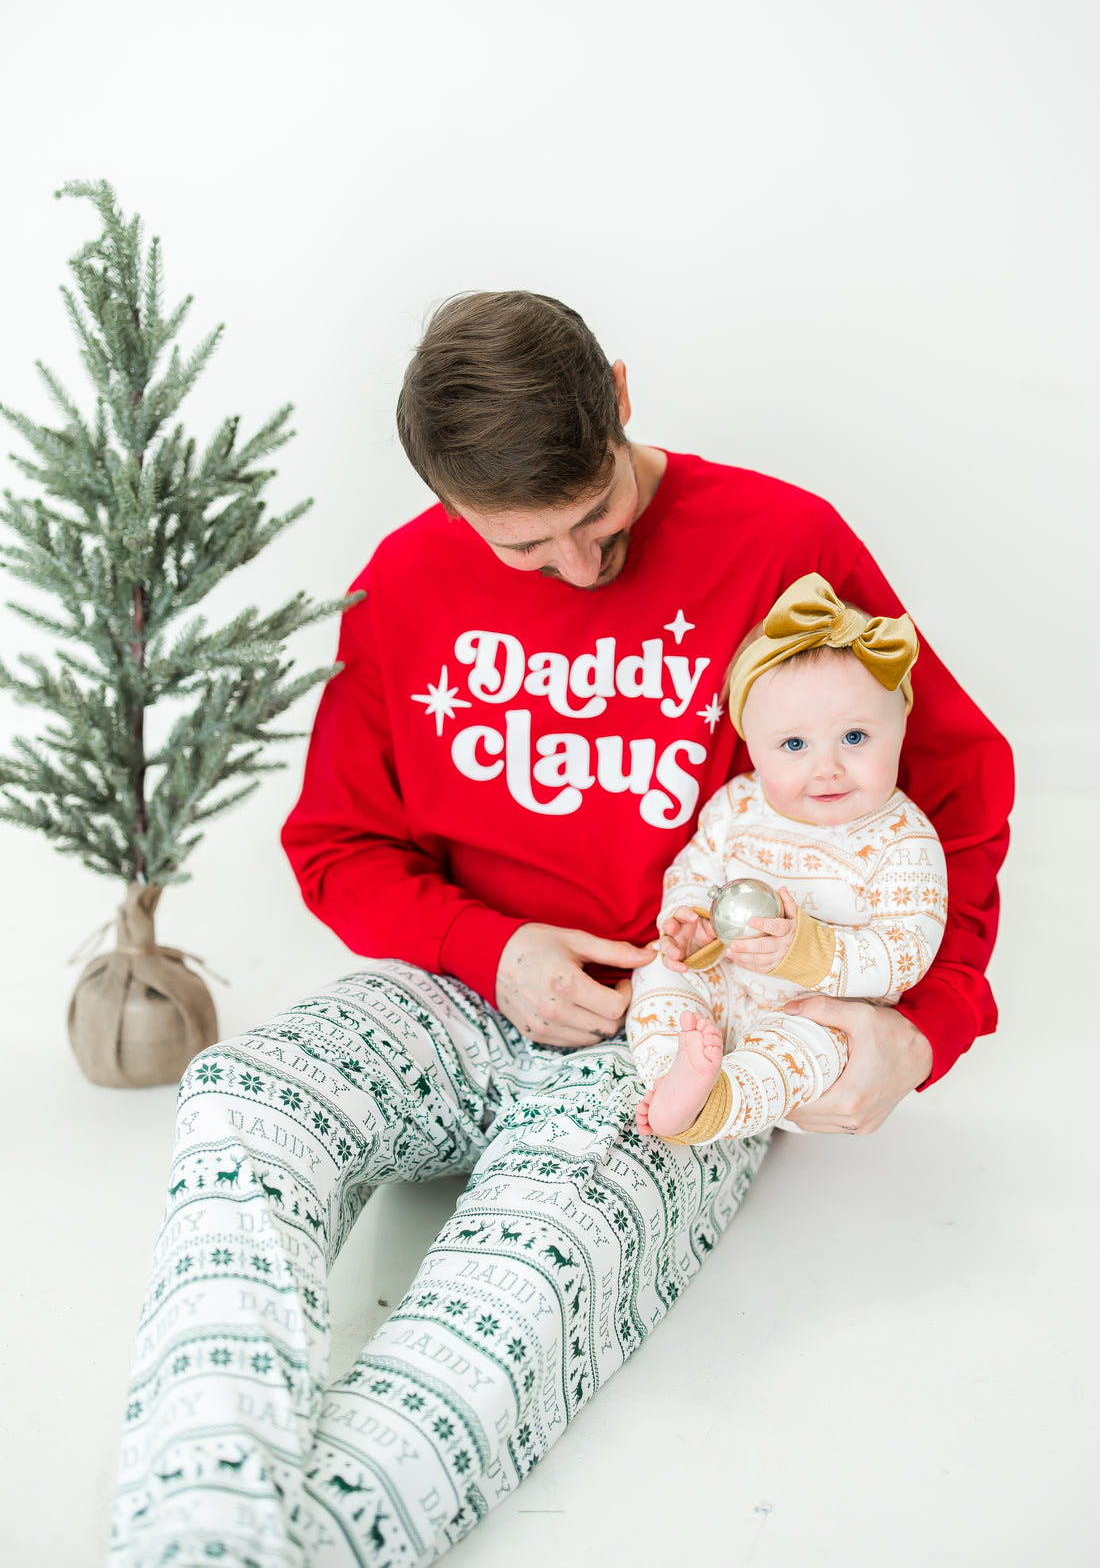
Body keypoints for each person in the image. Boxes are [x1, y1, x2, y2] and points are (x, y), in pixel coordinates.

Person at [108, 292, 1013, 1568]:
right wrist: (494, 950)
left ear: (622, 392)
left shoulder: (779, 545)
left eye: (598, 517)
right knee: (242, 1099)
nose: (584, 568)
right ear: (444, 503)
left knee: (508, 1293)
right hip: (459, 994)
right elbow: (334, 846)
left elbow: (960, 787)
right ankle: (190, 1530)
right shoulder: (404, 583)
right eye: (529, 553)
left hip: (688, 1035)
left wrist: (921, 1029)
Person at [629, 572, 947, 1145]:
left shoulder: (904, 840)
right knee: (657, 972)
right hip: (727, 980)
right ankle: (670, 1076)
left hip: (819, 1010)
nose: (827, 767)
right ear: (753, 744)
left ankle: (719, 1104)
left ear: (900, 727)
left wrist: (812, 951)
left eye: (854, 737)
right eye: (795, 746)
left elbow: (906, 952)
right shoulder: (738, 805)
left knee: (813, 1049)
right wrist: (690, 917)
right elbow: (696, 867)